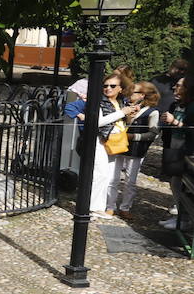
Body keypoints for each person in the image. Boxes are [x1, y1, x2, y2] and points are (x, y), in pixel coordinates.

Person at [64, 73, 141, 217]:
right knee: (100, 174)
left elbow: (122, 122)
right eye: (105, 86)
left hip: (113, 141)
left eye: (112, 86)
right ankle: (92, 208)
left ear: (120, 88)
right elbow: (98, 122)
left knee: (108, 176)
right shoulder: (98, 101)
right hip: (99, 140)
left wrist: (129, 115)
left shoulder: (121, 102)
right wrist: (121, 113)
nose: (108, 88)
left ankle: (100, 206)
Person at [107, 81, 162, 219]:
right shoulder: (124, 106)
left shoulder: (152, 112)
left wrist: (133, 136)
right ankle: (110, 206)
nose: (129, 93)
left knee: (130, 181)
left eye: (134, 91)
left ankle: (125, 207)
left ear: (142, 95)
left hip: (136, 150)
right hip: (119, 147)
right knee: (113, 178)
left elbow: (152, 134)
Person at [159, 74, 191, 228]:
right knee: (174, 182)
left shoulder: (192, 107)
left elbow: (190, 129)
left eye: (179, 85)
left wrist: (175, 122)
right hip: (174, 147)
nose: (174, 87)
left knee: (183, 184)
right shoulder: (175, 105)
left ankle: (184, 219)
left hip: (186, 152)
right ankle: (180, 215)